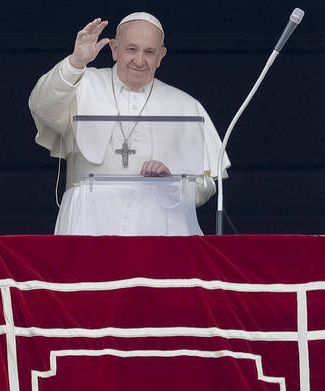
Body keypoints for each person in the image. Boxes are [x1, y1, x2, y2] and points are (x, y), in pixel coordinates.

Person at [29, 12, 229, 235]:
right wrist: (75, 62)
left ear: (161, 56)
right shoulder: (82, 84)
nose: (140, 60)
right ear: (114, 49)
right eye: (131, 49)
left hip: (160, 228)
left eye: (149, 52)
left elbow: (206, 185)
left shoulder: (185, 105)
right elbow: (42, 106)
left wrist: (173, 181)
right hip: (89, 222)